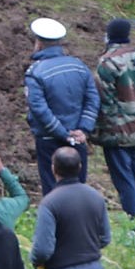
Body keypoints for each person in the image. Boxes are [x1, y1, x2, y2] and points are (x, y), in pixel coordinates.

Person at [93, 19, 135, 226]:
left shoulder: (107, 63)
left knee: (124, 178)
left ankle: (134, 223)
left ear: (109, 35)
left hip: (118, 131)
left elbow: (105, 100)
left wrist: (99, 130)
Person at [23, 17, 97, 185]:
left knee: (52, 189)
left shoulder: (35, 72)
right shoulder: (79, 66)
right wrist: (83, 130)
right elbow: (92, 98)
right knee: (79, 187)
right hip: (78, 139)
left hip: (50, 140)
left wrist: (63, 133)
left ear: (39, 44)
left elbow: (38, 108)